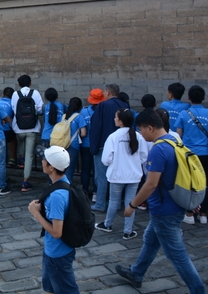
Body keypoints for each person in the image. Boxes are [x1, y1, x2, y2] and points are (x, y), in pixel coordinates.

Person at [116, 110, 208, 294]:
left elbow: (151, 184)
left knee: (178, 256)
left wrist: (132, 205)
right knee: (151, 240)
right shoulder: (175, 141)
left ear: (150, 128)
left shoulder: (158, 149)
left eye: (141, 129)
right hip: (172, 206)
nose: (140, 134)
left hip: (165, 210)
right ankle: (136, 273)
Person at [27, 146, 80, 294]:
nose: (42, 161)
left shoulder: (57, 196)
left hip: (58, 254)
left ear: (51, 167)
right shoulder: (64, 183)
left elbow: (57, 232)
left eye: (45, 159)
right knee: (50, 291)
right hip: (52, 251)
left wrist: (36, 213)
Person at [95, 109, 147, 240]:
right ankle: (128, 231)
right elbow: (143, 157)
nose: (114, 119)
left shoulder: (113, 137)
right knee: (131, 203)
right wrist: (134, 163)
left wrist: (116, 162)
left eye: (116, 117)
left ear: (121, 121)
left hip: (117, 175)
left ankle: (107, 224)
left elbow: (106, 159)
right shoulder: (138, 136)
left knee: (114, 201)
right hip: (134, 175)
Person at [175, 85, 208, 225]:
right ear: (204, 98)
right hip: (206, 153)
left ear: (188, 98)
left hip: (189, 154)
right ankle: (203, 214)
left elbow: (179, 135)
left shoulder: (183, 113)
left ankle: (190, 213)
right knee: (204, 183)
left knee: (189, 183)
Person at [89, 83, 128, 211]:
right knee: (118, 175)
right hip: (122, 146)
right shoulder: (124, 106)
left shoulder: (103, 106)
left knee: (101, 176)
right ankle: (116, 202)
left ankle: (100, 203)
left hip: (103, 145)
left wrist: (94, 147)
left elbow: (96, 128)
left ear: (108, 92)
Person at [11, 75, 44, 192]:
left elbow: (13, 109)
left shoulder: (15, 94)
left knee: (20, 140)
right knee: (29, 155)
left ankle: (21, 158)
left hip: (18, 127)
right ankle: (25, 182)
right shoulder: (35, 93)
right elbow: (40, 109)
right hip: (32, 127)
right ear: (30, 83)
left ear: (19, 84)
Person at [62, 97, 87, 183]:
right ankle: (67, 188)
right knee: (69, 171)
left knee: (61, 169)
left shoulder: (63, 116)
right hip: (73, 145)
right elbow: (83, 133)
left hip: (62, 145)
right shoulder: (79, 117)